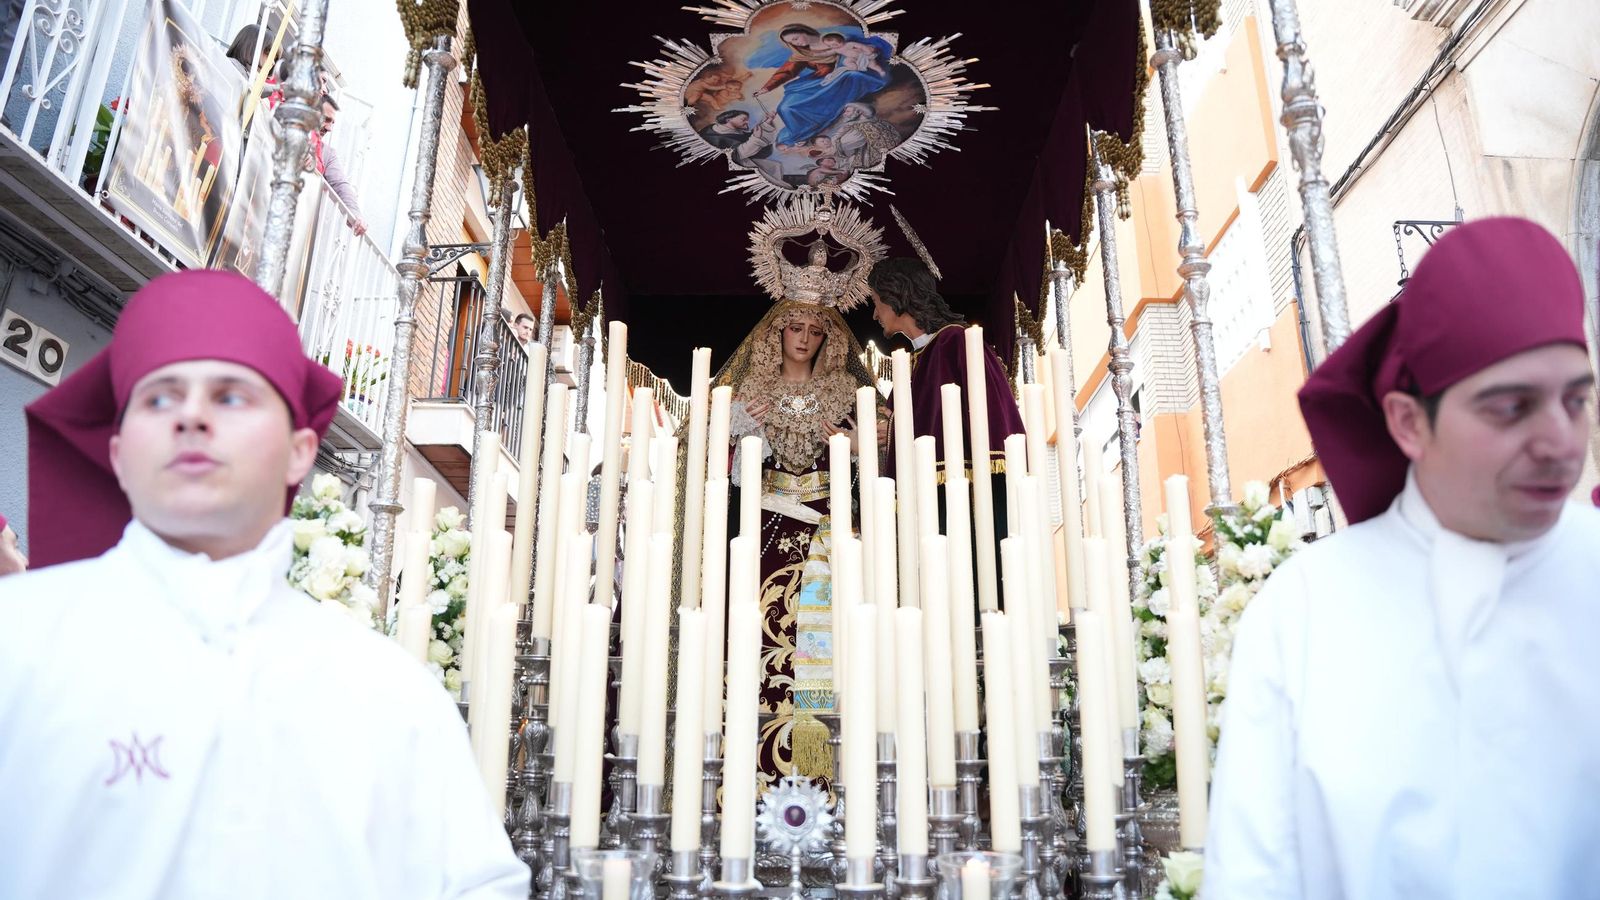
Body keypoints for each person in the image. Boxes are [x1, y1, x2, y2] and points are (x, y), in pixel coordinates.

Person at [2, 270, 529, 897]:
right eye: (160, 398)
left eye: (230, 397)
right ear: (117, 451)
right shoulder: (18, 638)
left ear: (301, 452)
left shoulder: (394, 698)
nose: (192, 416)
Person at [1205, 217, 1600, 898]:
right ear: (1409, 422)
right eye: (1512, 408)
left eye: (1577, 399)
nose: (1560, 442)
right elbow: (1253, 876)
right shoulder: (1304, 612)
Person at [714, 297, 883, 790]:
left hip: (826, 536)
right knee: (761, 640)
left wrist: (855, 449)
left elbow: (876, 459)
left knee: (827, 644)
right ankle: (755, 774)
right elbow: (733, 475)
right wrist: (741, 434)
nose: (805, 338)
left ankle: (820, 771)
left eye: (815, 329)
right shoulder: (751, 390)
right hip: (767, 533)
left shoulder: (844, 390)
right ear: (778, 334)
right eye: (795, 328)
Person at [867, 256, 1024, 544]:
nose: (875, 314)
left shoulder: (955, 344)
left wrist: (893, 428)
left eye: (876, 302)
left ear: (894, 296)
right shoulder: (915, 361)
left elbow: (969, 425)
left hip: (964, 502)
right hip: (930, 504)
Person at [751, 23, 892, 146]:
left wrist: (870, 50)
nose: (797, 43)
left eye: (796, 38)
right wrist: (766, 88)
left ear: (804, 30)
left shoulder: (837, 38)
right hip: (818, 82)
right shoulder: (802, 53)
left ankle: (805, 134)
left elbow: (872, 46)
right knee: (785, 108)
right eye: (792, 42)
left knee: (852, 76)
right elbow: (786, 72)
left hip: (844, 76)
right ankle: (800, 134)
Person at [312, 94, 366, 236]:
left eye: (332, 123)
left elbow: (340, 185)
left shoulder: (326, 153)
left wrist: (355, 215)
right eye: (326, 120)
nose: (329, 128)